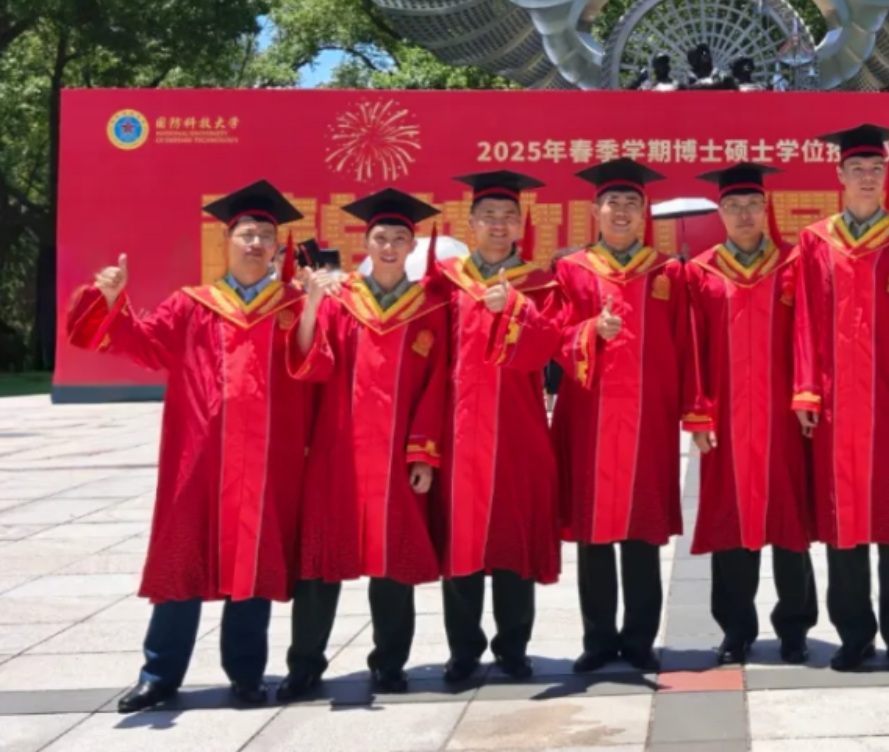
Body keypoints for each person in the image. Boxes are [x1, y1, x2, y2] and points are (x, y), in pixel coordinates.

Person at [64, 181, 312, 712]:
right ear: (226, 241)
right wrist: (111, 301)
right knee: (181, 565)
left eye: (266, 235)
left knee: (252, 568)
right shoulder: (191, 305)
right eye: (247, 233)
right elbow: (144, 344)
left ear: (277, 247)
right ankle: (159, 675)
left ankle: (246, 674)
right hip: (197, 462)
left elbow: (320, 372)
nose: (256, 243)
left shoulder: (295, 307)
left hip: (267, 463)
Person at [278, 188, 450, 700]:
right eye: (381, 238)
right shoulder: (339, 300)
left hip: (397, 454)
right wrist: (312, 305)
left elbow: (436, 385)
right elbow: (311, 362)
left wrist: (423, 454)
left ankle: (390, 663)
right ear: (366, 243)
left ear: (412, 245)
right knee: (320, 562)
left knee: (392, 562)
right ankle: (304, 664)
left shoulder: (429, 307)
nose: (390, 247)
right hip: (337, 452)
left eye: (399, 238)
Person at [792, 123, 889, 672]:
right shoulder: (815, 241)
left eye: (876, 169)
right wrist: (806, 391)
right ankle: (853, 636)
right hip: (834, 404)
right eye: (857, 169)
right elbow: (804, 318)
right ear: (840, 175)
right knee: (842, 522)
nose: (868, 178)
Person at [551, 157, 690, 674]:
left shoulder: (667, 271)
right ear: (596, 211)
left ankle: (639, 640)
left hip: (648, 418)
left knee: (642, 532)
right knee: (593, 533)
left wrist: (691, 410)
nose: (623, 211)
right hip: (590, 416)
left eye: (633, 202)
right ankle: (598, 639)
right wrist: (591, 332)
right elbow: (555, 337)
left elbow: (684, 342)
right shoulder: (572, 270)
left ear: (645, 211)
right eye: (614, 202)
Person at [434, 171, 569, 683]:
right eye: (488, 216)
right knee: (462, 543)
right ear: (469, 223)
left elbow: (549, 346)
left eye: (508, 216)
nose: (498, 224)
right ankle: (463, 650)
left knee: (514, 537)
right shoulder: (445, 283)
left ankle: (513, 646)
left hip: (518, 429)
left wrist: (514, 307)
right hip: (459, 429)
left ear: (520, 225)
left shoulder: (540, 283)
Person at [685, 163, 817, 666]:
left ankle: (795, 627)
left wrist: (806, 395)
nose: (744, 215)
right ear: (720, 213)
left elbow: (808, 332)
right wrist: (699, 414)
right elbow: (693, 348)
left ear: (766, 210)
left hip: (783, 416)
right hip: (727, 419)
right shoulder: (702, 272)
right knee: (730, 521)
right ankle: (736, 629)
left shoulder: (795, 264)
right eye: (734, 207)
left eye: (752, 206)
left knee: (790, 522)